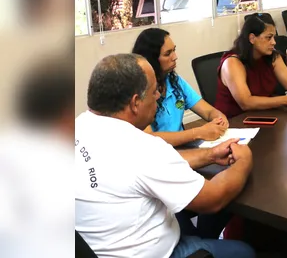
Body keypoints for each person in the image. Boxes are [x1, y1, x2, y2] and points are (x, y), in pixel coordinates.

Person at [75, 54, 255, 258]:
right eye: (154, 92)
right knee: (244, 251)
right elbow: (213, 198)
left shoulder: (76, 129)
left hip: (99, 247)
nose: (159, 97)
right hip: (156, 253)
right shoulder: (141, 147)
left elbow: (151, 169)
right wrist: (244, 160)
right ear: (135, 103)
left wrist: (210, 155)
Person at [132, 28, 229, 147]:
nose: (175, 57)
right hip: (161, 155)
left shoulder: (175, 81)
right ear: (151, 59)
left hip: (183, 147)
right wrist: (197, 133)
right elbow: (149, 138)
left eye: (174, 50)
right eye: (168, 54)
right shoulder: (139, 91)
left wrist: (219, 119)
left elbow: (208, 111)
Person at [215, 14, 287, 118]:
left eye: (273, 37)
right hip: (234, 120)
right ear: (252, 38)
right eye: (268, 38)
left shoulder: (272, 56)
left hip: (263, 115)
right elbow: (246, 102)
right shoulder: (232, 63)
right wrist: (286, 99)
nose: (274, 42)